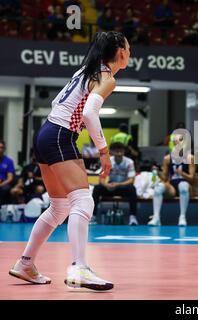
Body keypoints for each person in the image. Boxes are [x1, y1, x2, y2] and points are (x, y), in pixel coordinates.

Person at [8, 31, 130, 290]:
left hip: (46, 133)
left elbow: (57, 101)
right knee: (83, 200)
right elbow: (88, 113)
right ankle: (80, 267)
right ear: (120, 52)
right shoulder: (107, 77)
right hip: (60, 135)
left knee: (60, 207)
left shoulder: (86, 70)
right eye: (128, 48)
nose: (130, 53)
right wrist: (104, 151)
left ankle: (25, 263)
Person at [147, 134, 195, 226]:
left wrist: (182, 174)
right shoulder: (167, 158)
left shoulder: (190, 158)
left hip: (186, 186)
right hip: (172, 186)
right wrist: (157, 172)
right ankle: (156, 217)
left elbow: (192, 178)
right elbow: (165, 178)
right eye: (175, 141)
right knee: (158, 188)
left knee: (183, 186)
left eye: (180, 140)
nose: (177, 143)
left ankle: (182, 217)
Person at [92, 142, 138, 226]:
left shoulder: (129, 162)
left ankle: (132, 217)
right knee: (97, 188)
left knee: (132, 189)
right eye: (117, 151)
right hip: (111, 187)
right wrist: (106, 185)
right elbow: (101, 178)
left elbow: (131, 180)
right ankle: (93, 216)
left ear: (124, 151)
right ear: (112, 152)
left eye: (121, 151)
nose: (119, 153)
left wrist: (118, 184)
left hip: (122, 187)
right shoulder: (108, 161)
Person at [0, 140, 15, 205]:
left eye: (1, 147)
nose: (0, 149)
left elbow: (10, 178)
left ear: (4, 149)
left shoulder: (9, 161)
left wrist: (1, 184)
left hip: (4, 183)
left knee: (5, 189)